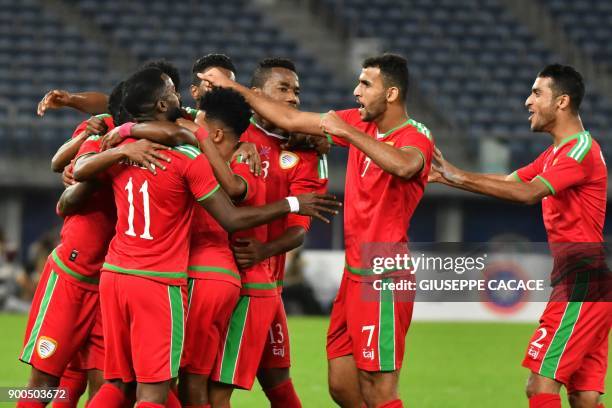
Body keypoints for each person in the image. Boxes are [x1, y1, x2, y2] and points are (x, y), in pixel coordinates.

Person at [74, 67, 339, 408]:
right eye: (173, 94)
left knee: (126, 384)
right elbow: (233, 201)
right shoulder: (194, 155)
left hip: (118, 274)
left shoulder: (123, 147)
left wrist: (118, 134)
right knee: (178, 388)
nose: (182, 99)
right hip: (175, 280)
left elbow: (76, 174)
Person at [201, 53, 434, 408]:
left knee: (377, 385)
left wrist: (348, 133)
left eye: (365, 84)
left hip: (384, 273)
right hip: (353, 274)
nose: (356, 92)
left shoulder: (414, 136)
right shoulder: (354, 121)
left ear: (390, 94)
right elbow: (290, 118)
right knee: (341, 386)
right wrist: (230, 87)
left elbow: (404, 166)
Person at [429, 64, 610, 408]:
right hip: (590, 285)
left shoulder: (578, 151)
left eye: (537, 93)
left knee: (540, 386)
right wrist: (450, 177)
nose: (528, 101)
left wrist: (458, 176)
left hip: (580, 286)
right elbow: (510, 182)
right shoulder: (556, 153)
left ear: (562, 102)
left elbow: (528, 194)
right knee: (585, 397)